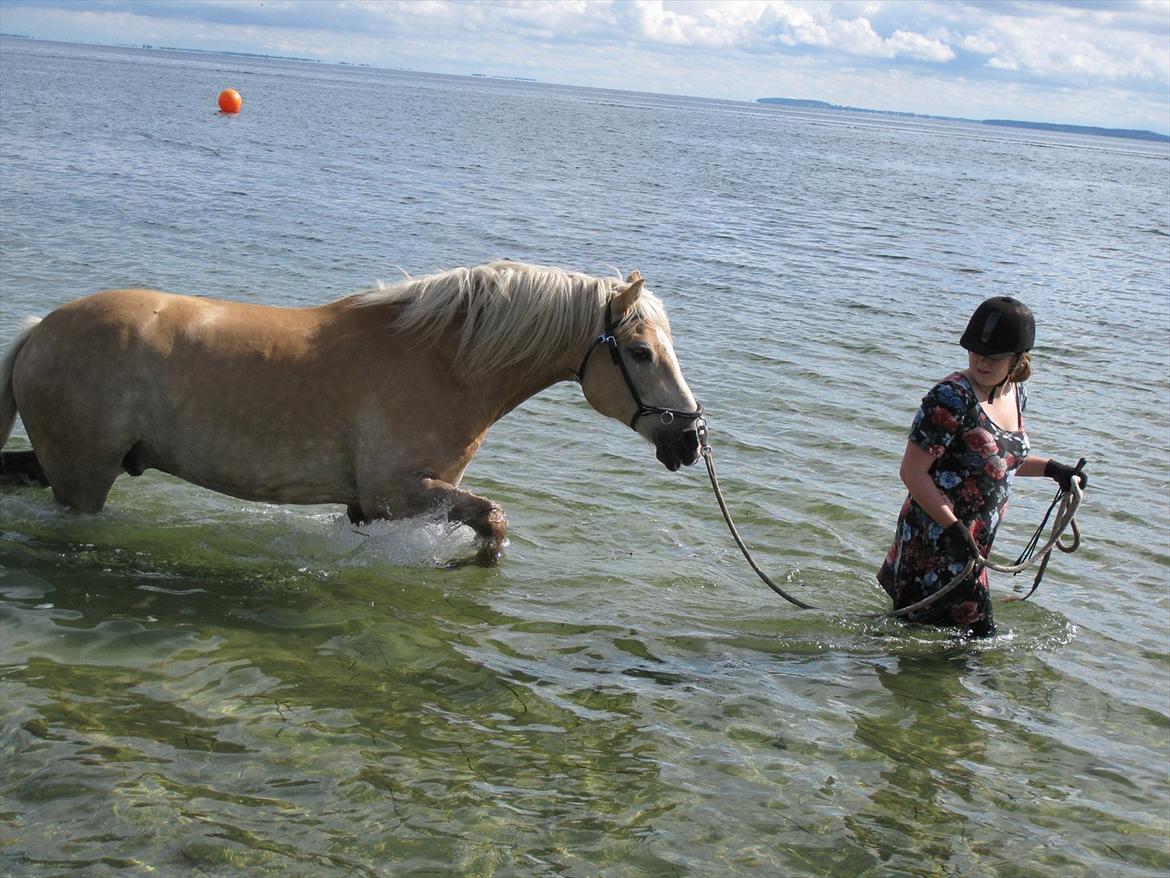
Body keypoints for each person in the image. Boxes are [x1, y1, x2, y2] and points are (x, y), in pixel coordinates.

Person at [877, 296, 1086, 638]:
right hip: (936, 544)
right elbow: (912, 472)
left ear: (1017, 360)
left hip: (971, 550)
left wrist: (1054, 470)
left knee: (949, 649)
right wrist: (954, 528)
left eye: (993, 357)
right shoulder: (949, 399)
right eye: (975, 351)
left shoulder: (1015, 393)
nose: (981, 361)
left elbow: (997, 463)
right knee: (971, 647)